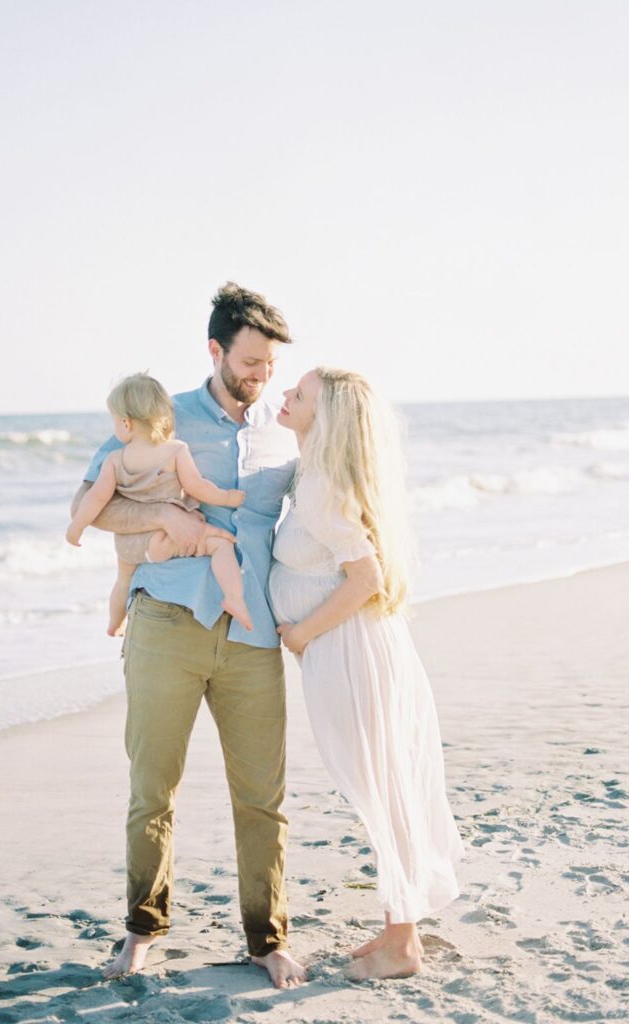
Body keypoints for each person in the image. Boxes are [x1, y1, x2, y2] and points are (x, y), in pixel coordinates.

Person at [70, 283, 306, 989]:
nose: (263, 375)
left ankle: (268, 938)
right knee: (153, 791)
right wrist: (159, 522)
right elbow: (91, 508)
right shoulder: (159, 418)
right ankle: (143, 931)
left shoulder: (285, 431)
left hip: (251, 633)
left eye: (271, 364)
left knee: (263, 797)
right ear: (215, 350)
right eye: (252, 361)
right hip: (165, 624)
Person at [269, 366, 465, 981]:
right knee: (385, 784)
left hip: (352, 654)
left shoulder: (325, 484)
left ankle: (402, 944)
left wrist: (300, 632)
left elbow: (367, 578)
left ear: (323, 417)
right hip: (353, 651)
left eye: (297, 395)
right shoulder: (316, 476)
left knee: (382, 789)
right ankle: (395, 927)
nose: (285, 396)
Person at [65, 372, 253, 634]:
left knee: (122, 581)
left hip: (130, 543)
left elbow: (96, 498)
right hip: (166, 539)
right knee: (221, 545)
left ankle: (115, 623)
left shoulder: (115, 460)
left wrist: (76, 527)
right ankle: (234, 599)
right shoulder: (175, 450)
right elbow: (197, 486)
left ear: (126, 424)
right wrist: (227, 497)